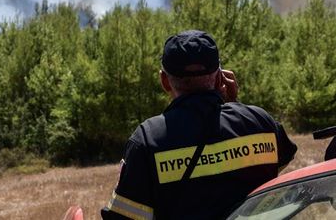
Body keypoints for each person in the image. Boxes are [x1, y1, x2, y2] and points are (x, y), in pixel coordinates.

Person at [101, 30, 297, 220]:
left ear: (164, 81)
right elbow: (277, 165)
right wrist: (236, 107)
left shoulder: (147, 139)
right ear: (220, 76)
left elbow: (124, 216)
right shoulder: (260, 121)